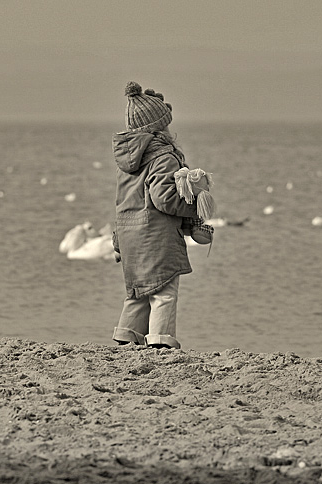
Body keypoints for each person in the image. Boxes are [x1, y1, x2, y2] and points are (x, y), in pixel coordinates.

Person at [110, 81, 199, 349]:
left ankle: (127, 336)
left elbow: (122, 201)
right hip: (155, 235)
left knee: (137, 291)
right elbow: (164, 198)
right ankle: (160, 342)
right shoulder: (163, 158)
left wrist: (117, 240)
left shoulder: (126, 162)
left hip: (129, 234)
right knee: (163, 291)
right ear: (160, 127)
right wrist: (194, 208)